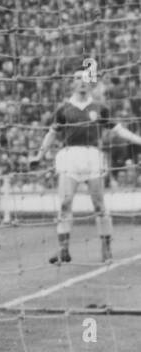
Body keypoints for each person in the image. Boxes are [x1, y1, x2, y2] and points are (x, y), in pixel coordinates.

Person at [34, 70, 141, 264]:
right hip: (69, 156)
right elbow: (51, 133)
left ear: (90, 84)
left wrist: (138, 140)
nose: (82, 82)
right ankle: (63, 250)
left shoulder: (99, 108)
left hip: (92, 155)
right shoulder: (64, 109)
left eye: (85, 79)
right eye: (77, 78)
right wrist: (39, 154)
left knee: (99, 205)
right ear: (72, 84)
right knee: (65, 203)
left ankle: (106, 249)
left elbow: (118, 130)